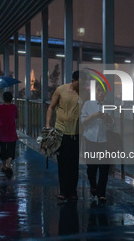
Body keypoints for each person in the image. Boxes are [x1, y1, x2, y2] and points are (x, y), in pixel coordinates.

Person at [45, 71, 83, 201]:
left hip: (76, 133)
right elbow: (51, 107)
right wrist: (48, 126)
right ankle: (63, 191)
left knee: (74, 164)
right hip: (61, 132)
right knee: (63, 163)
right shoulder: (60, 90)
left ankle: (72, 191)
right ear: (74, 80)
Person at [81, 82, 113, 202]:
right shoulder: (88, 104)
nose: (101, 93)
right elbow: (83, 120)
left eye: (103, 91)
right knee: (92, 167)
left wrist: (107, 118)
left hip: (105, 140)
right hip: (90, 139)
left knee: (104, 167)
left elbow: (112, 123)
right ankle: (93, 186)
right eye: (99, 91)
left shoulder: (109, 106)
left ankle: (101, 193)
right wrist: (93, 116)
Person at [0, 91, 18, 175]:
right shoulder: (14, 107)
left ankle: (4, 166)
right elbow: (16, 116)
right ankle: (9, 164)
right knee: (11, 148)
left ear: (3, 98)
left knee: (3, 149)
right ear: (11, 99)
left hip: (2, 132)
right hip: (11, 131)